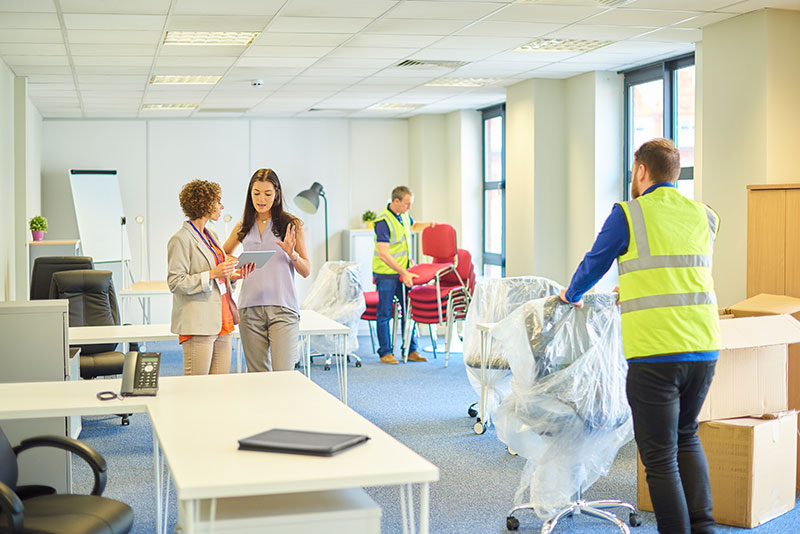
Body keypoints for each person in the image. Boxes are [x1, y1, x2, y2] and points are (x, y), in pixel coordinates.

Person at [559, 138, 720, 534]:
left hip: (656, 352)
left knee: (660, 456)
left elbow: (595, 261)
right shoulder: (704, 214)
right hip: (704, 348)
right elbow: (678, 270)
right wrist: (629, 288)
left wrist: (571, 294)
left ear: (641, 171)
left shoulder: (629, 213)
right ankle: (705, 528)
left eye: (634, 171)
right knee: (687, 437)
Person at [223, 168, 310, 372]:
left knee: (283, 375)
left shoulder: (291, 225)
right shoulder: (243, 225)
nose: (261, 199)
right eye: (256, 193)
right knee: (257, 377)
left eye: (268, 194)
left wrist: (292, 253)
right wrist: (238, 263)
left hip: (283, 308)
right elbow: (222, 254)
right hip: (250, 308)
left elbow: (306, 270)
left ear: (277, 194)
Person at [168, 179, 253, 376]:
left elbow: (218, 276)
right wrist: (213, 274)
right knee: (197, 389)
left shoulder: (211, 235)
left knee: (220, 388)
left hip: (222, 319)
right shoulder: (180, 239)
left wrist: (233, 275)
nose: (221, 206)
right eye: (218, 201)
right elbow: (175, 282)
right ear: (203, 203)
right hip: (199, 323)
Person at [372, 185, 436, 365]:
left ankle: (411, 350)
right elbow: (383, 254)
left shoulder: (404, 216)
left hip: (403, 273)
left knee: (410, 311)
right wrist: (404, 272)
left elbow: (414, 225)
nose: (409, 207)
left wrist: (430, 225)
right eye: (407, 204)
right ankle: (385, 352)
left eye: (410, 204)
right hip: (386, 274)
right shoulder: (383, 222)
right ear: (396, 201)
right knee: (385, 313)